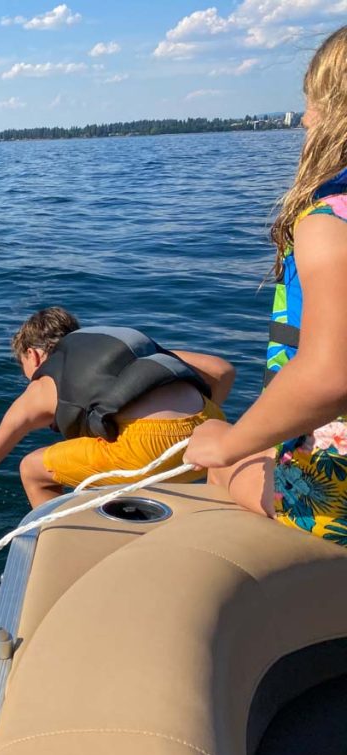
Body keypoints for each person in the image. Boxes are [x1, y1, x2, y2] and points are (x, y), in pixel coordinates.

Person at [184, 25, 347, 546]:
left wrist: (228, 445)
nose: (304, 119)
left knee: (213, 455)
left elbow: (329, 376)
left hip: (334, 494)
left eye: (313, 105)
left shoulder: (329, 222)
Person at [0, 307, 236, 511]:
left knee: (31, 469)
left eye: (24, 368)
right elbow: (222, 370)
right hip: (211, 437)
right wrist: (189, 428)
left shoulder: (42, 386)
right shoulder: (120, 345)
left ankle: (60, 549)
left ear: (33, 356)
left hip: (148, 449)